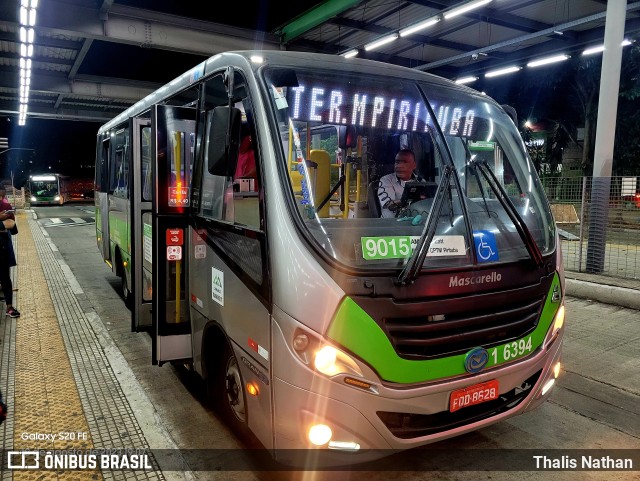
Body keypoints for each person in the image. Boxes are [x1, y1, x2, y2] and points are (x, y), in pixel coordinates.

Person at [377, 148, 425, 218]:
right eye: (397, 162)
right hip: (390, 225)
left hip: (414, 223)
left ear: (414, 165)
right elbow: (390, 205)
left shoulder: (421, 181)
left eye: (405, 162)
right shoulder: (386, 180)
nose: (399, 166)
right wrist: (415, 198)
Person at [0, 188, 19, 318]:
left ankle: (9, 307)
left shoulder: (6, 206)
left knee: (5, 278)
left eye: (2, 196)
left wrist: (8, 220)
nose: (2, 199)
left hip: (2, 248)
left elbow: (13, 229)